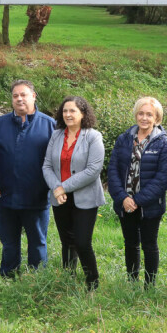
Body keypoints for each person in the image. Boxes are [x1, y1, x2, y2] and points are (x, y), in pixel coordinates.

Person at [0, 80, 56, 278]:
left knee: (38, 242)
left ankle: (37, 277)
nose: (19, 99)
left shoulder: (50, 125)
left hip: (37, 198)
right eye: (15, 95)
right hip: (6, 197)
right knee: (8, 242)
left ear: (33, 96)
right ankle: (8, 275)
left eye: (23, 95)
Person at [107, 97, 167, 287]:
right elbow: (113, 171)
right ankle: (132, 281)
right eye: (141, 113)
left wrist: (137, 200)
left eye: (149, 114)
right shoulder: (124, 139)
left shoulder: (162, 142)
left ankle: (149, 285)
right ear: (136, 115)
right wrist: (123, 198)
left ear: (157, 118)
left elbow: (163, 178)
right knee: (130, 243)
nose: (144, 118)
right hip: (124, 202)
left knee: (149, 245)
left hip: (149, 205)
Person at [43, 96, 105, 290]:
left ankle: (92, 282)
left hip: (85, 198)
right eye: (65, 111)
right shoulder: (57, 135)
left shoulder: (93, 136)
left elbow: (93, 170)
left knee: (82, 241)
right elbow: (46, 165)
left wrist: (64, 187)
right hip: (59, 197)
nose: (68, 114)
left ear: (83, 114)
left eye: (73, 111)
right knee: (66, 241)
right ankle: (67, 278)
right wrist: (56, 188)